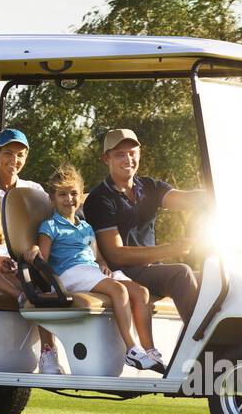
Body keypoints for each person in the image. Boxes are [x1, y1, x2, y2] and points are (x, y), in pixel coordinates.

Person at [27, 164, 165, 372]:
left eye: (74, 194)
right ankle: (132, 349)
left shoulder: (86, 227)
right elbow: (43, 260)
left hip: (90, 270)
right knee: (118, 290)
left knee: (140, 292)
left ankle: (150, 351)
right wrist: (35, 250)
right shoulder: (50, 226)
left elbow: (98, 257)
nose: (69, 199)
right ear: (53, 199)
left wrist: (102, 264)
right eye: (62, 194)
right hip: (69, 273)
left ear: (81, 196)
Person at [82, 128, 208, 328]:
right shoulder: (100, 199)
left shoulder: (148, 186)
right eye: (120, 154)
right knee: (181, 273)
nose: (128, 159)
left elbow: (184, 199)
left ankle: (235, 344)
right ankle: (202, 343)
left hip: (151, 269)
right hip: (123, 273)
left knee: (214, 276)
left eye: (132, 153)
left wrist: (213, 195)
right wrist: (170, 250)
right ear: (106, 159)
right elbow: (117, 255)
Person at [0, 128, 61, 374]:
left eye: (20, 154)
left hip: (30, 258)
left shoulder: (34, 190)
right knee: (37, 285)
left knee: (52, 279)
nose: (14, 160)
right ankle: (48, 352)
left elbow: (43, 231)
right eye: (8, 153)